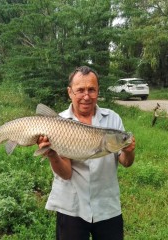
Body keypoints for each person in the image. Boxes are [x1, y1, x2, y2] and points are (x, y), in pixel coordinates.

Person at [37, 66, 135, 240]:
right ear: (70, 92)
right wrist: (52, 154)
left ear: (98, 91)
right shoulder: (56, 124)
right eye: (80, 90)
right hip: (71, 206)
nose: (86, 96)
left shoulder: (113, 119)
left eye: (92, 90)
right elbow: (66, 173)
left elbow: (126, 162)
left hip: (107, 207)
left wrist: (128, 151)